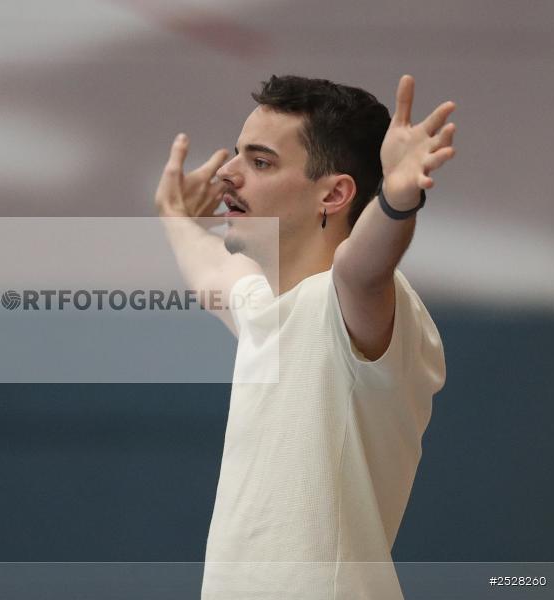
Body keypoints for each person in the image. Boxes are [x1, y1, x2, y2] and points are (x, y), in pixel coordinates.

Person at [155, 75, 455, 599]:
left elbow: (364, 268)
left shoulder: (351, 300)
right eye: (237, 156)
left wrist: (397, 199)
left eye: (260, 161)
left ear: (334, 194)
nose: (228, 173)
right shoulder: (269, 307)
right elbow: (210, 279)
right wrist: (174, 216)